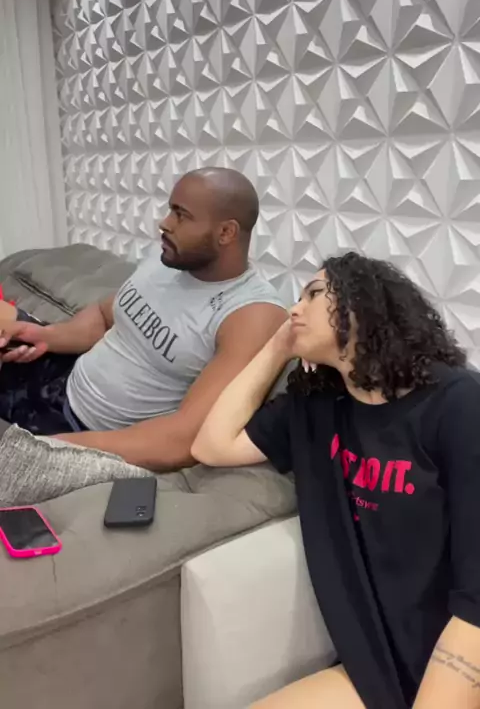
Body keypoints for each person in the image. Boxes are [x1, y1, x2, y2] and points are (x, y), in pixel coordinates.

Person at [192, 252, 480, 709]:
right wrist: (278, 346)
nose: (294, 309)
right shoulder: (317, 406)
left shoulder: (456, 404)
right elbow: (211, 445)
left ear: (364, 303)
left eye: (313, 294)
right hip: (379, 665)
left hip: (461, 647)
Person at [0, 168, 287, 471]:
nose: (165, 223)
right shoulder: (168, 262)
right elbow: (103, 316)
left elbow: (181, 440)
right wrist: (47, 336)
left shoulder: (252, 314)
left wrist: (47, 449)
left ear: (226, 232)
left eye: (181, 215)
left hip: (87, 434)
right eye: (170, 210)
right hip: (62, 377)